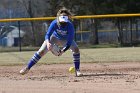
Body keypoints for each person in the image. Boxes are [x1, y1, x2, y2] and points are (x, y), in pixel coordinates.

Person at [20, 7, 83, 77]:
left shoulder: (70, 26)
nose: (63, 23)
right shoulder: (54, 23)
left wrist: (63, 51)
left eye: (64, 21)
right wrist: (48, 43)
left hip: (66, 39)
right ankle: (27, 68)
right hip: (54, 38)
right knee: (41, 51)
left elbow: (70, 41)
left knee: (76, 50)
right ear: (58, 18)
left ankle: (77, 70)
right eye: (62, 21)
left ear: (67, 19)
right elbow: (47, 34)